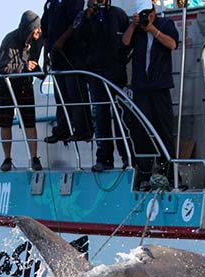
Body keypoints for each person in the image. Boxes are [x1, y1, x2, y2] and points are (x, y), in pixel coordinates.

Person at [123, 0, 179, 190]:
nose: (147, 17)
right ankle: (145, 173)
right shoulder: (137, 29)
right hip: (141, 88)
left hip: (160, 87)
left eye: (148, 12)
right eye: (143, 14)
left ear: (154, 11)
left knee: (164, 129)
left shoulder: (165, 24)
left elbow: (172, 44)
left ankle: (169, 172)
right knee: (141, 130)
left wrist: (153, 30)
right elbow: (123, 45)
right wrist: (133, 25)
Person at [73, 0, 131, 172]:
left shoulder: (118, 14)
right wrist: (87, 17)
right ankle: (104, 158)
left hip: (116, 74)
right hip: (96, 75)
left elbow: (128, 42)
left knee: (122, 117)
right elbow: (76, 38)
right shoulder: (83, 17)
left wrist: (120, 60)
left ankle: (127, 157)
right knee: (101, 116)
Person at [0, 11, 44, 172]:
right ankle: (7, 159)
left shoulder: (37, 42)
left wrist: (39, 70)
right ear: (28, 28)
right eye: (35, 29)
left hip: (24, 85)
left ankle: (34, 158)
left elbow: (33, 62)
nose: (38, 32)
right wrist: (24, 67)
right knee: (5, 123)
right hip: (6, 86)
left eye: (39, 29)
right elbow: (1, 68)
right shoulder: (10, 40)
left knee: (30, 122)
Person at [42, 0, 92, 144]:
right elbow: (45, 30)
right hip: (56, 57)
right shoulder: (50, 3)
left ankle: (83, 130)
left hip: (72, 55)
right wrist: (45, 55)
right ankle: (63, 129)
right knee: (61, 96)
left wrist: (62, 40)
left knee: (75, 93)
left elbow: (76, 21)